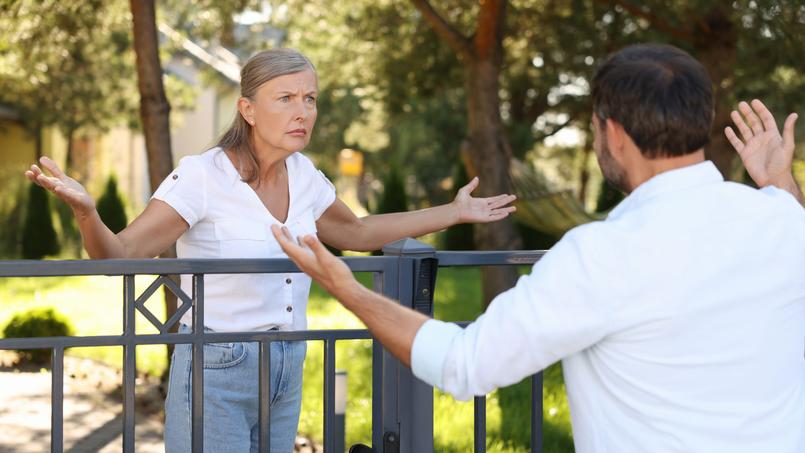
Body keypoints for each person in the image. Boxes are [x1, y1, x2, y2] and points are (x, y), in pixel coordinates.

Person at [273, 44, 805, 453]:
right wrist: (781, 184)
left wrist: (346, 288)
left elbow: (465, 363)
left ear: (613, 134)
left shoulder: (601, 255)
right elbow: (786, 225)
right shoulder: (782, 219)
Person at [24, 48, 517, 452]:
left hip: (288, 363)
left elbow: (359, 233)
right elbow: (120, 256)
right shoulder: (202, 175)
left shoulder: (305, 175)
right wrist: (88, 213)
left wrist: (452, 213)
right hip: (216, 367)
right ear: (248, 108)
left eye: (310, 98)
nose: (303, 111)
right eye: (285, 98)